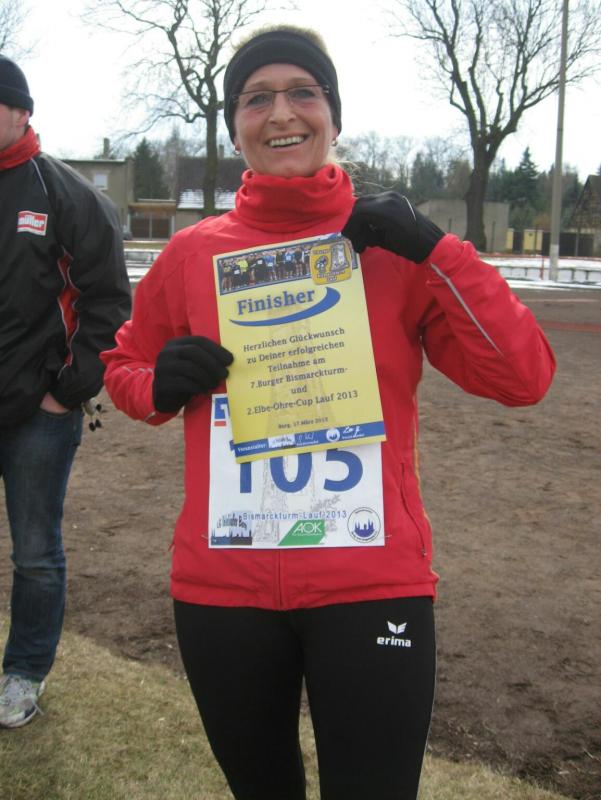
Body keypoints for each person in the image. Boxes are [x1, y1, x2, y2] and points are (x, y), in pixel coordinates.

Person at [101, 26, 555, 800]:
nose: (281, 113)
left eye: (302, 93)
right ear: (235, 127)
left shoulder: (393, 247)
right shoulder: (190, 254)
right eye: (256, 99)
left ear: (333, 117)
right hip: (224, 586)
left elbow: (522, 377)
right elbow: (124, 366)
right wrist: (158, 385)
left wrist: (435, 250)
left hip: (370, 583)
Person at [0, 55, 131, 728]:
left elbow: (108, 301)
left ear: (22, 111)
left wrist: (66, 390)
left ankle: (23, 674)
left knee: (35, 551)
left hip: (37, 411)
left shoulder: (64, 193)